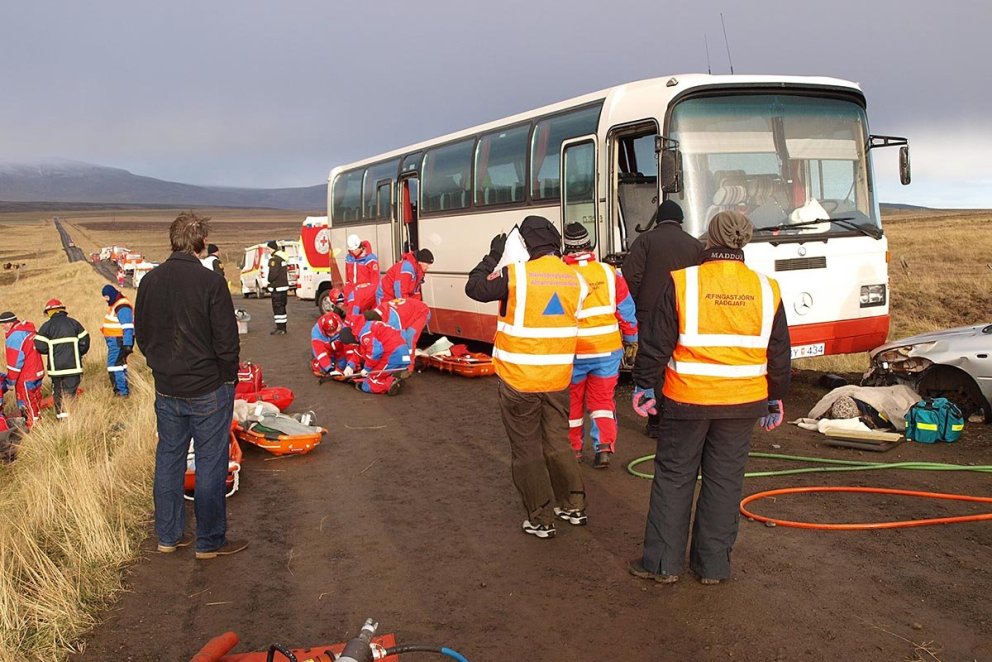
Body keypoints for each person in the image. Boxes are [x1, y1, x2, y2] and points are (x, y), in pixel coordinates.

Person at [628, 210, 791, 584]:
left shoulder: (685, 282)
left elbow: (657, 341)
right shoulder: (767, 289)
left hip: (688, 399)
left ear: (710, 239)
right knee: (724, 481)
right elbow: (779, 351)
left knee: (674, 477)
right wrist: (774, 397)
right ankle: (713, 567)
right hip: (743, 403)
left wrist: (643, 384)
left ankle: (662, 565)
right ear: (742, 242)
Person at [465, 215, 587, 539]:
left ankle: (541, 518)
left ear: (526, 244)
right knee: (558, 442)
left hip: (520, 380)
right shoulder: (576, 279)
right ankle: (573, 505)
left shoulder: (515, 275)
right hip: (558, 379)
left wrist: (494, 255)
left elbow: (474, 288)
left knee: (526, 449)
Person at [134, 211, 246, 559]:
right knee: (211, 462)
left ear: (173, 241)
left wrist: (159, 366)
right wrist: (228, 378)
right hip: (208, 388)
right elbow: (228, 341)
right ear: (200, 243)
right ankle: (209, 542)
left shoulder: (150, 282)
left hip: (168, 388)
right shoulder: (211, 283)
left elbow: (142, 334)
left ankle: (168, 536)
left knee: (169, 459)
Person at [622, 200, 703, 437]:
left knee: (654, 366)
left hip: (650, 314)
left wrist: (634, 308)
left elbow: (630, 277)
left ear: (658, 220)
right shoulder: (695, 245)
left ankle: (656, 422)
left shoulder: (645, 241)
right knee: (678, 366)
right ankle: (679, 419)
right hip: (685, 314)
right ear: (680, 221)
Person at [561, 223, 638, 469]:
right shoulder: (610, 272)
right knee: (602, 401)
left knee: (572, 403)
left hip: (573, 352)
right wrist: (632, 339)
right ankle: (603, 448)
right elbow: (626, 309)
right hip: (606, 351)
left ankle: (573, 451)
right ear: (590, 244)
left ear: (566, 247)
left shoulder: (561, 275)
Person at [34, 299, 90, 420]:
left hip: (56, 369)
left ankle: (61, 418)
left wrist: (52, 351)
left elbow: (39, 346)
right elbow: (85, 341)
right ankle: (71, 417)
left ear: (49, 312)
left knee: (58, 393)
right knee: (70, 392)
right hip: (73, 366)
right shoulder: (74, 323)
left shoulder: (46, 326)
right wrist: (77, 352)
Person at [1, 311, 45, 429]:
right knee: (36, 398)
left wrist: (10, 383)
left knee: (26, 402)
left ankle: (32, 426)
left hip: (26, 375)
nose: (2, 327)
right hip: (38, 370)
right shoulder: (28, 330)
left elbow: (15, 364)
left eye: (3, 324)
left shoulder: (14, 337)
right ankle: (38, 419)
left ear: (10, 323)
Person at [368, 296, 431, 366]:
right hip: (407, 311)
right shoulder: (376, 314)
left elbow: (401, 340)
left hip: (421, 312)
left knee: (410, 337)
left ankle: (408, 365)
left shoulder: (392, 320)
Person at [354, 320, 408, 395]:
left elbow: (375, 352)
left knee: (368, 384)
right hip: (403, 352)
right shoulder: (371, 325)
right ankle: (390, 374)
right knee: (377, 368)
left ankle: (390, 383)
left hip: (393, 356)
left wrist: (367, 369)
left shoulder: (365, 335)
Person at [100, 285, 134, 397]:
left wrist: (127, 344)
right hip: (117, 341)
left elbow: (128, 326)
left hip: (119, 342)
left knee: (114, 366)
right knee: (120, 366)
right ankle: (123, 390)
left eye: (106, 297)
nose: (106, 300)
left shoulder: (122, 306)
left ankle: (121, 392)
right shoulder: (117, 304)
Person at [343, 235, 380, 318]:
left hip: (366, 296)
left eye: (354, 250)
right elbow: (348, 279)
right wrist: (347, 296)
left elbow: (375, 281)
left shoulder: (370, 259)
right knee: (353, 318)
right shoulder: (349, 258)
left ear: (360, 247)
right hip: (354, 295)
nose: (353, 252)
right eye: (351, 250)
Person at [266, 240, 290, 335]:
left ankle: (280, 328)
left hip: (277, 287)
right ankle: (283, 327)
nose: (268, 251)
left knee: (277, 307)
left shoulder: (274, 260)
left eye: (268, 249)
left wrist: (269, 280)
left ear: (272, 248)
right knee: (282, 307)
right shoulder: (283, 258)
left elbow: (273, 274)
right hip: (283, 287)